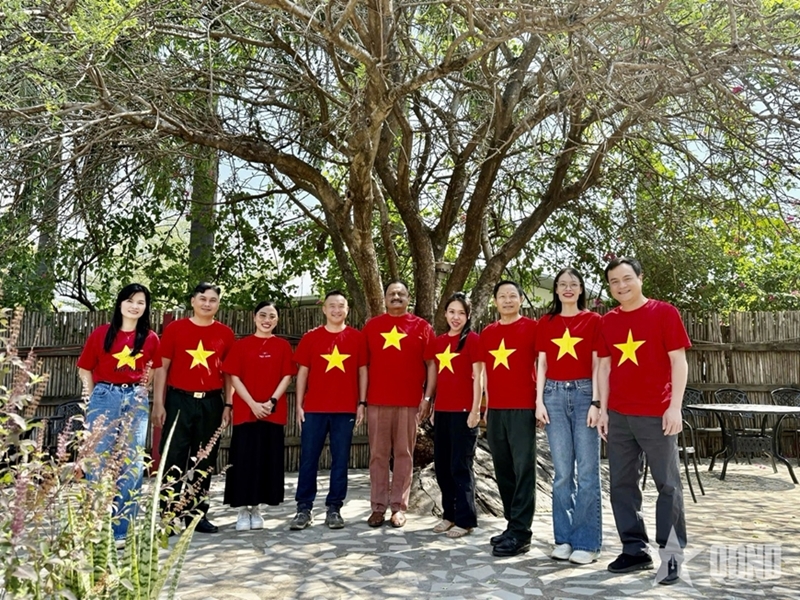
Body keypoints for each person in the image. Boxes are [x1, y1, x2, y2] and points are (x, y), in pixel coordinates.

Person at [597, 257, 690, 586]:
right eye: (614, 281)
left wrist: (675, 407)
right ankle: (634, 549)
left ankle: (672, 556)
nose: (621, 286)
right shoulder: (607, 321)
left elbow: (678, 361)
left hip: (657, 414)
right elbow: (604, 367)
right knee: (621, 485)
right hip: (619, 416)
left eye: (627, 278)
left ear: (640, 278)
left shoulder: (664, 313)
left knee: (668, 485)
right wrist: (603, 409)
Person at [77, 283, 161, 546]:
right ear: (120, 303)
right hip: (104, 396)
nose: (135, 306)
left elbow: (154, 369)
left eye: (140, 302)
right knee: (98, 461)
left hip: (135, 398)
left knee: (132, 463)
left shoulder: (150, 338)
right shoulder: (102, 333)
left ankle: (122, 531)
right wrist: (92, 398)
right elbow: (84, 368)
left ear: (146, 307)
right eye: (130, 301)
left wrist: (142, 390)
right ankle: (97, 527)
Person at [152, 282, 235, 534]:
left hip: (211, 402)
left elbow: (229, 373)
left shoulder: (225, 333)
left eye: (212, 300)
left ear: (218, 304)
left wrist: (228, 403)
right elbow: (161, 368)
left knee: (204, 459)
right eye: (203, 299)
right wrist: (158, 402)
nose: (207, 304)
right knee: (174, 457)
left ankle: (197, 515)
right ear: (193, 301)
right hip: (179, 400)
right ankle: (168, 516)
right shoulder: (176, 329)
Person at [535, 268, 602, 565]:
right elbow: (542, 363)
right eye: (562, 284)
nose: (568, 288)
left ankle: (586, 542)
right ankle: (563, 539)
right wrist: (539, 401)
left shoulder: (594, 320)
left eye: (573, 284)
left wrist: (596, 402)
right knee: (562, 474)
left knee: (587, 472)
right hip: (553, 395)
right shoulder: (546, 322)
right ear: (556, 290)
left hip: (585, 394)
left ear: (581, 289)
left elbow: (598, 363)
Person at [290, 291, 367, 530]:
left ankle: (334, 508)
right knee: (308, 459)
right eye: (332, 305)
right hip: (314, 409)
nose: (336, 310)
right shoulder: (311, 337)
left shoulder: (357, 338)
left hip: (345, 410)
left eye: (341, 306)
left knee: (340, 460)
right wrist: (299, 405)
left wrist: (362, 403)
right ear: (324, 309)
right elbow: (302, 372)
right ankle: (304, 508)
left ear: (347, 309)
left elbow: (363, 371)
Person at [362, 280, 436, 528]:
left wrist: (427, 398)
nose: (396, 296)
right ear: (384, 299)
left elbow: (432, 365)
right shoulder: (372, 326)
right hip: (377, 402)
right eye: (391, 293)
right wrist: (362, 400)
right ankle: (378, 507)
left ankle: (398, 507)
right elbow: (363, 366)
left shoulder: (422, 327)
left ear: (408, 298)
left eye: (401, 293)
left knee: (404, 455)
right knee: (378, 456)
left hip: (409, 403)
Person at [222, 301, 295, 531]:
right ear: (254, 318)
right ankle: (242, 510)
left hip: (272, 412)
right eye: (263, 315)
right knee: (244, 460)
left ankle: (256, 508)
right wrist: (252, 404)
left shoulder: (283, 346)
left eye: (272, 316)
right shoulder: (241, 345)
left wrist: (271, 401)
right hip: (246, 412)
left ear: (277, 320)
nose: (267, 320)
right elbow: (234, 377)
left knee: (266, 460)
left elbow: (287, 376)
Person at [480, 279, 538, 557]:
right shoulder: (488, 333)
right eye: (502, 296)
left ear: (521, 300)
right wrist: (484, 406)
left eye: (512, 295)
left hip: (523, 408)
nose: (507, 300)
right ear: (495, 301)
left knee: (523, 469)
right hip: (496, 410)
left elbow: (544, 365)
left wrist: (540, 404)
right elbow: (483, 373)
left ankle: (522, 533)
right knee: (503, 468)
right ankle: (512, 524)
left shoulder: (533, 328)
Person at [425, 292, 484, 539]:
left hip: (464, 414)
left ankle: (465, 519)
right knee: (443, 467)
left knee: (461, 467)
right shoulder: (438, 342)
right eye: (452, 312)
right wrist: (433, 406)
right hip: (442, 413)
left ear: (468, 316)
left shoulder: (473, 341)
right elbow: (438, 378)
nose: (456, 317)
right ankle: (448, 515)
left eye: (461, 313)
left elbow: (479, 378)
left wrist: (475, 410)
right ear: (445, 314)